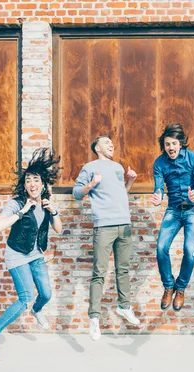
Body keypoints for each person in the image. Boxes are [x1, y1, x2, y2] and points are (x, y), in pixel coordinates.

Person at [0, 148, 62, 363]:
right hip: (17, 255)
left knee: (46, 294)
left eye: (36, 180)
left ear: (43, 184)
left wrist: (55, 212)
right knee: (25, 299)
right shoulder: (16, 203)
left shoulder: (47, 203)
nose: (33, 184)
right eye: (28, 181)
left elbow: (58, 229)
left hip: (36, 255)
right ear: (25, 185)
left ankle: (37, 310)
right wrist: (22, 212)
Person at [73, 135, 140, 341]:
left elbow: (122, 193)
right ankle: (94, 318)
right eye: (106, 142)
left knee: (123, 269)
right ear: (97, 147)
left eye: (112, 142)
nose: (111, 144)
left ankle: (124, 306)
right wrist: (92, 184)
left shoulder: (118, 167)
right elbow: (76, 193)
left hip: (124, 223)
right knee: (99, 273)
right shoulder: (90, 167)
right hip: (104, 225)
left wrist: (130, 180)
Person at [149, 123, 194, 311]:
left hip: (193, 209)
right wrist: (158, 196)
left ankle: (180, 288)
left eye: (173, 143)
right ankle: (168, 286)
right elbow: (158, 187)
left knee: (189, 250)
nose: (170, 148)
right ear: (163, 146)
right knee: (161, 247)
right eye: (167, 144)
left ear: (180, 143)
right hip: (173, 209)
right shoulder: (160, 163)